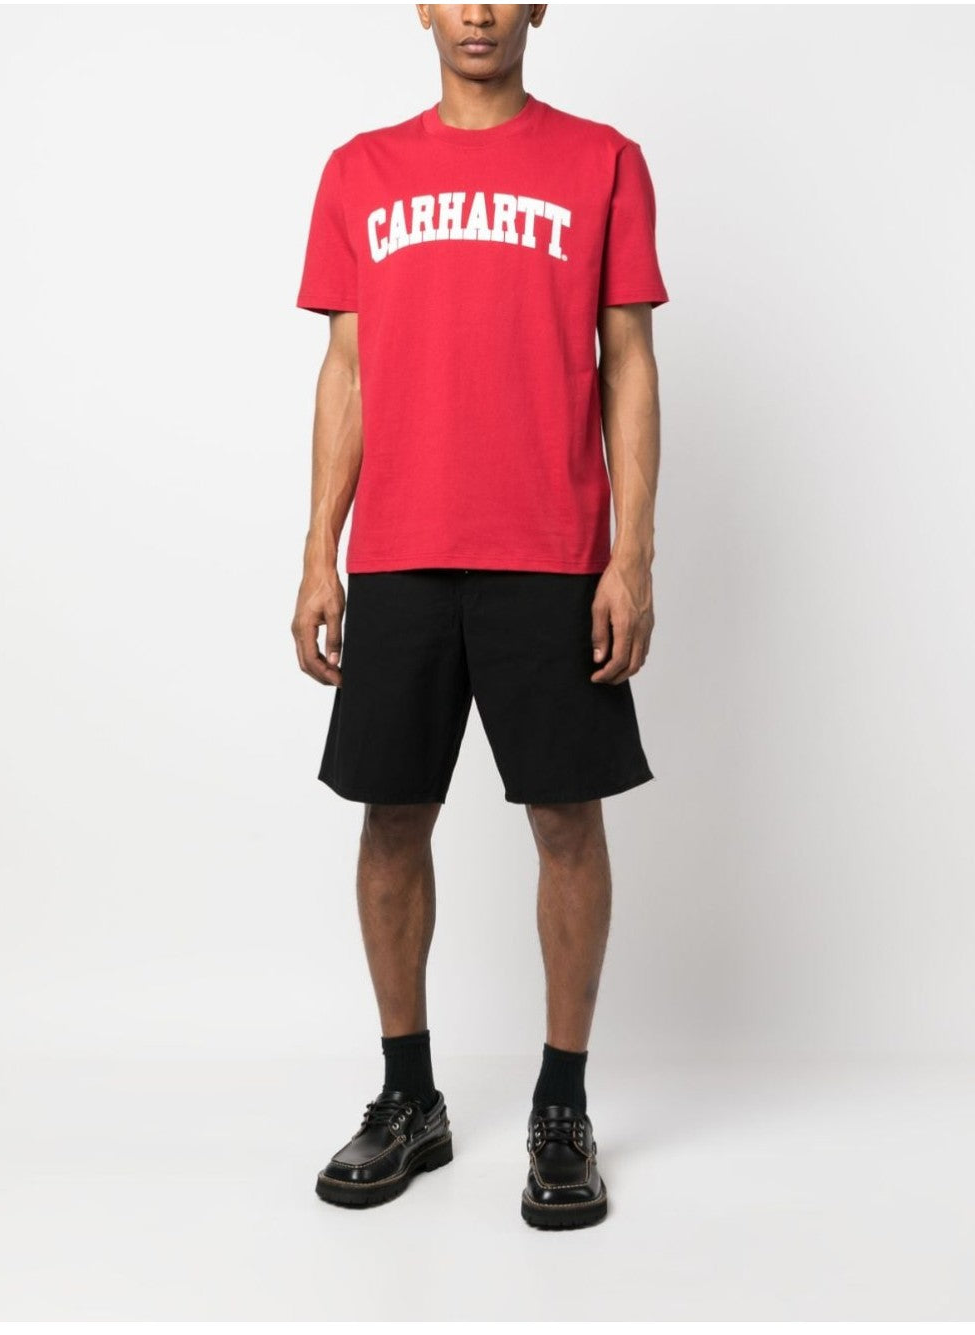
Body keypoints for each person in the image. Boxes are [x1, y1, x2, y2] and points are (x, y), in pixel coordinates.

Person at [291, 3, 668, 1230]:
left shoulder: (602, 161)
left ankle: (562, 1107)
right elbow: (346, 369)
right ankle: (410, 1098)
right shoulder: (361, 171)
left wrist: (630, 554)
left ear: (538, 5)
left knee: (566, 820)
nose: (479, 10)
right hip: (399, 553)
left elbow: (627, 361)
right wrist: (319, 551)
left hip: (550, 552)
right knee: (392, 817)